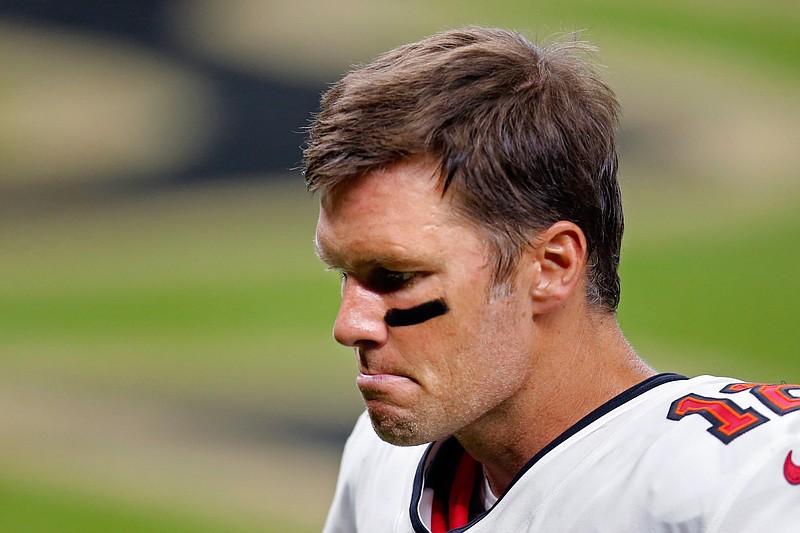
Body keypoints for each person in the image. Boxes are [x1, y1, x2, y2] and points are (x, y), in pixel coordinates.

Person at [302, 27, 800, 532]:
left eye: (396, 275)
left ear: (550, 268)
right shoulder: (382, 463)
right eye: (344, 273)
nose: (349, 325)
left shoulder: (750, 478)